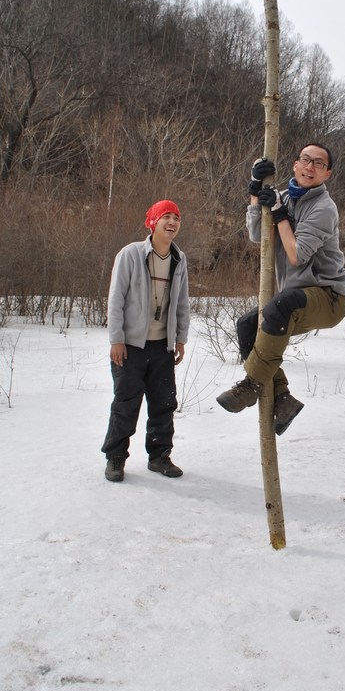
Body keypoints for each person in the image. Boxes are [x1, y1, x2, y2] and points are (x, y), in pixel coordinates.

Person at [216, 142, 345, 434]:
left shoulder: (324, 208)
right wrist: (255, 190)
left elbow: (296, 254)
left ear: (327, 174)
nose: (310, 167)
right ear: (295, 164)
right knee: (247, 325)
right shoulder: (284, 198)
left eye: (319, 163)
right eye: (305, 160)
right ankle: (283, 398)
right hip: (295, 298)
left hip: (328, 297)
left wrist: (279, 214)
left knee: (281, 304)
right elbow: (257, 235)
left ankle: (251, 385)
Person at [102, 200, 190, 482]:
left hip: (162, 345)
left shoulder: (179, 259)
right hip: (131, 346)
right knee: (126, 404)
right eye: (166, 216)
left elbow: (182, 302)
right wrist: (116, 339)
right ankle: (116, 457)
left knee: (164, 403)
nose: (172, 222)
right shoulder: (130, 254)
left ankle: (159, 456)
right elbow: (116, 299)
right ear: (153, 221)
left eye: (177, 218)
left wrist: (180, 338)